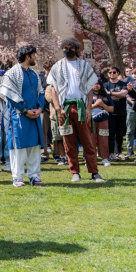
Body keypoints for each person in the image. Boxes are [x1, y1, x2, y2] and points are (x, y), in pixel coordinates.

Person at [46, 38, 105, 183]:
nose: (67, 50)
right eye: (65, 47)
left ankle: (94, 172)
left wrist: (89, 108)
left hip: (81, 106)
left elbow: (90, 87)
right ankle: (75, 172)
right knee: (68, 141)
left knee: (87, 140)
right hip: (65, 108)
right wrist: (58, 108)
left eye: (70, 47)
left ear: (76, 49)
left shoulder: (84, 65)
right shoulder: (57, 66)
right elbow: (53, 89)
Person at [0, 45, 46, 187]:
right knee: (19, 147)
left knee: (34, 147)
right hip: (19, 116)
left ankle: (34, 176)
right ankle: (17, 177)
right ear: (27, 56)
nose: (35, 57)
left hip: (35, 115)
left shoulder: (34, 74)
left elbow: (41, 92)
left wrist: (39, 108)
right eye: (34, 54)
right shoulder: (11, 73)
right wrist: (25, 111)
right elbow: (10, 95)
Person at [104, 66, 129, 161]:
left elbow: (124, 94)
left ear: (118, 73)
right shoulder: (105, 85)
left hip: (121, 111)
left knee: (120, 134)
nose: (112, 74)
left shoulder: (123, 83)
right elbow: (106, 98)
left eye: (114, 72)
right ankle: (110, 153)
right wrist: (117, 95)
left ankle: (119, 152)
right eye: (110, 72)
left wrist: (110, 94)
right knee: (111, 133)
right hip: (110, 112)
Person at [90, 75, 114, 167]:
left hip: (103, 119)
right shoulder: (88, 95)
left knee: (103, 138)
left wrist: (103, 105)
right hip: (91, 119)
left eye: (98, 84)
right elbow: (85, 108)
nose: (96, 86)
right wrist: (95, 104)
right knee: (90, 139)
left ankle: (104, 158)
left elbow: (111, 109)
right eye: (94, 84)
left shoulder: (106, 96)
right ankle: (91, 159)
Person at [124, 67, 136, 158]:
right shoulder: (127, 80)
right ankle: (130, 150)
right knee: (130, 130)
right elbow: (126, 94)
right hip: (131, 107)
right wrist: (133, 102)